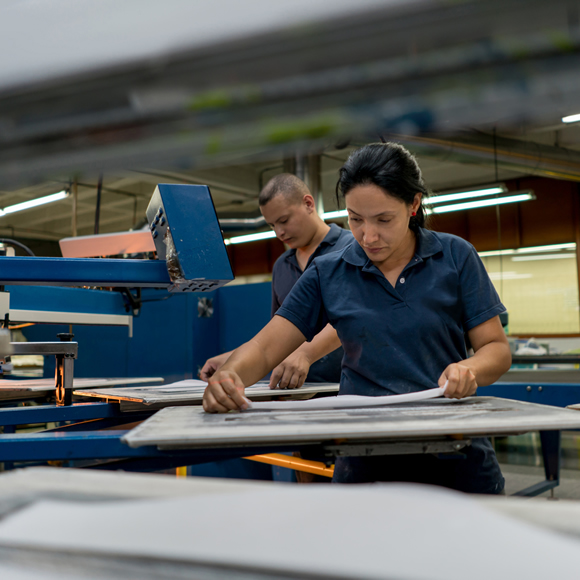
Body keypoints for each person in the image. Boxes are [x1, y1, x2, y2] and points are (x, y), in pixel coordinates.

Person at [203, 142, 512, 494]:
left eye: (384, 219)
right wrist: (230, 377)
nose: (368, 235)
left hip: (457, 457)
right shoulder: (329, 271)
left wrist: (469, 370)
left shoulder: (456, 257)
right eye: (355, 219)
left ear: (413, 204)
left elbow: (496, 349)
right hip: (364, 463)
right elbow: (264, 348)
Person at [200, 173, 353, 388]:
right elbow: (279, 335)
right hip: (299, 392)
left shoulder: (352, 249)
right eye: (272, 225)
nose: (279, 233)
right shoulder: (282, 266)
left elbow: (353, 316)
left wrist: (306, 354)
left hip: (349, 389)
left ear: (308, 203)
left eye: (284, 220)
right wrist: (232, 360)